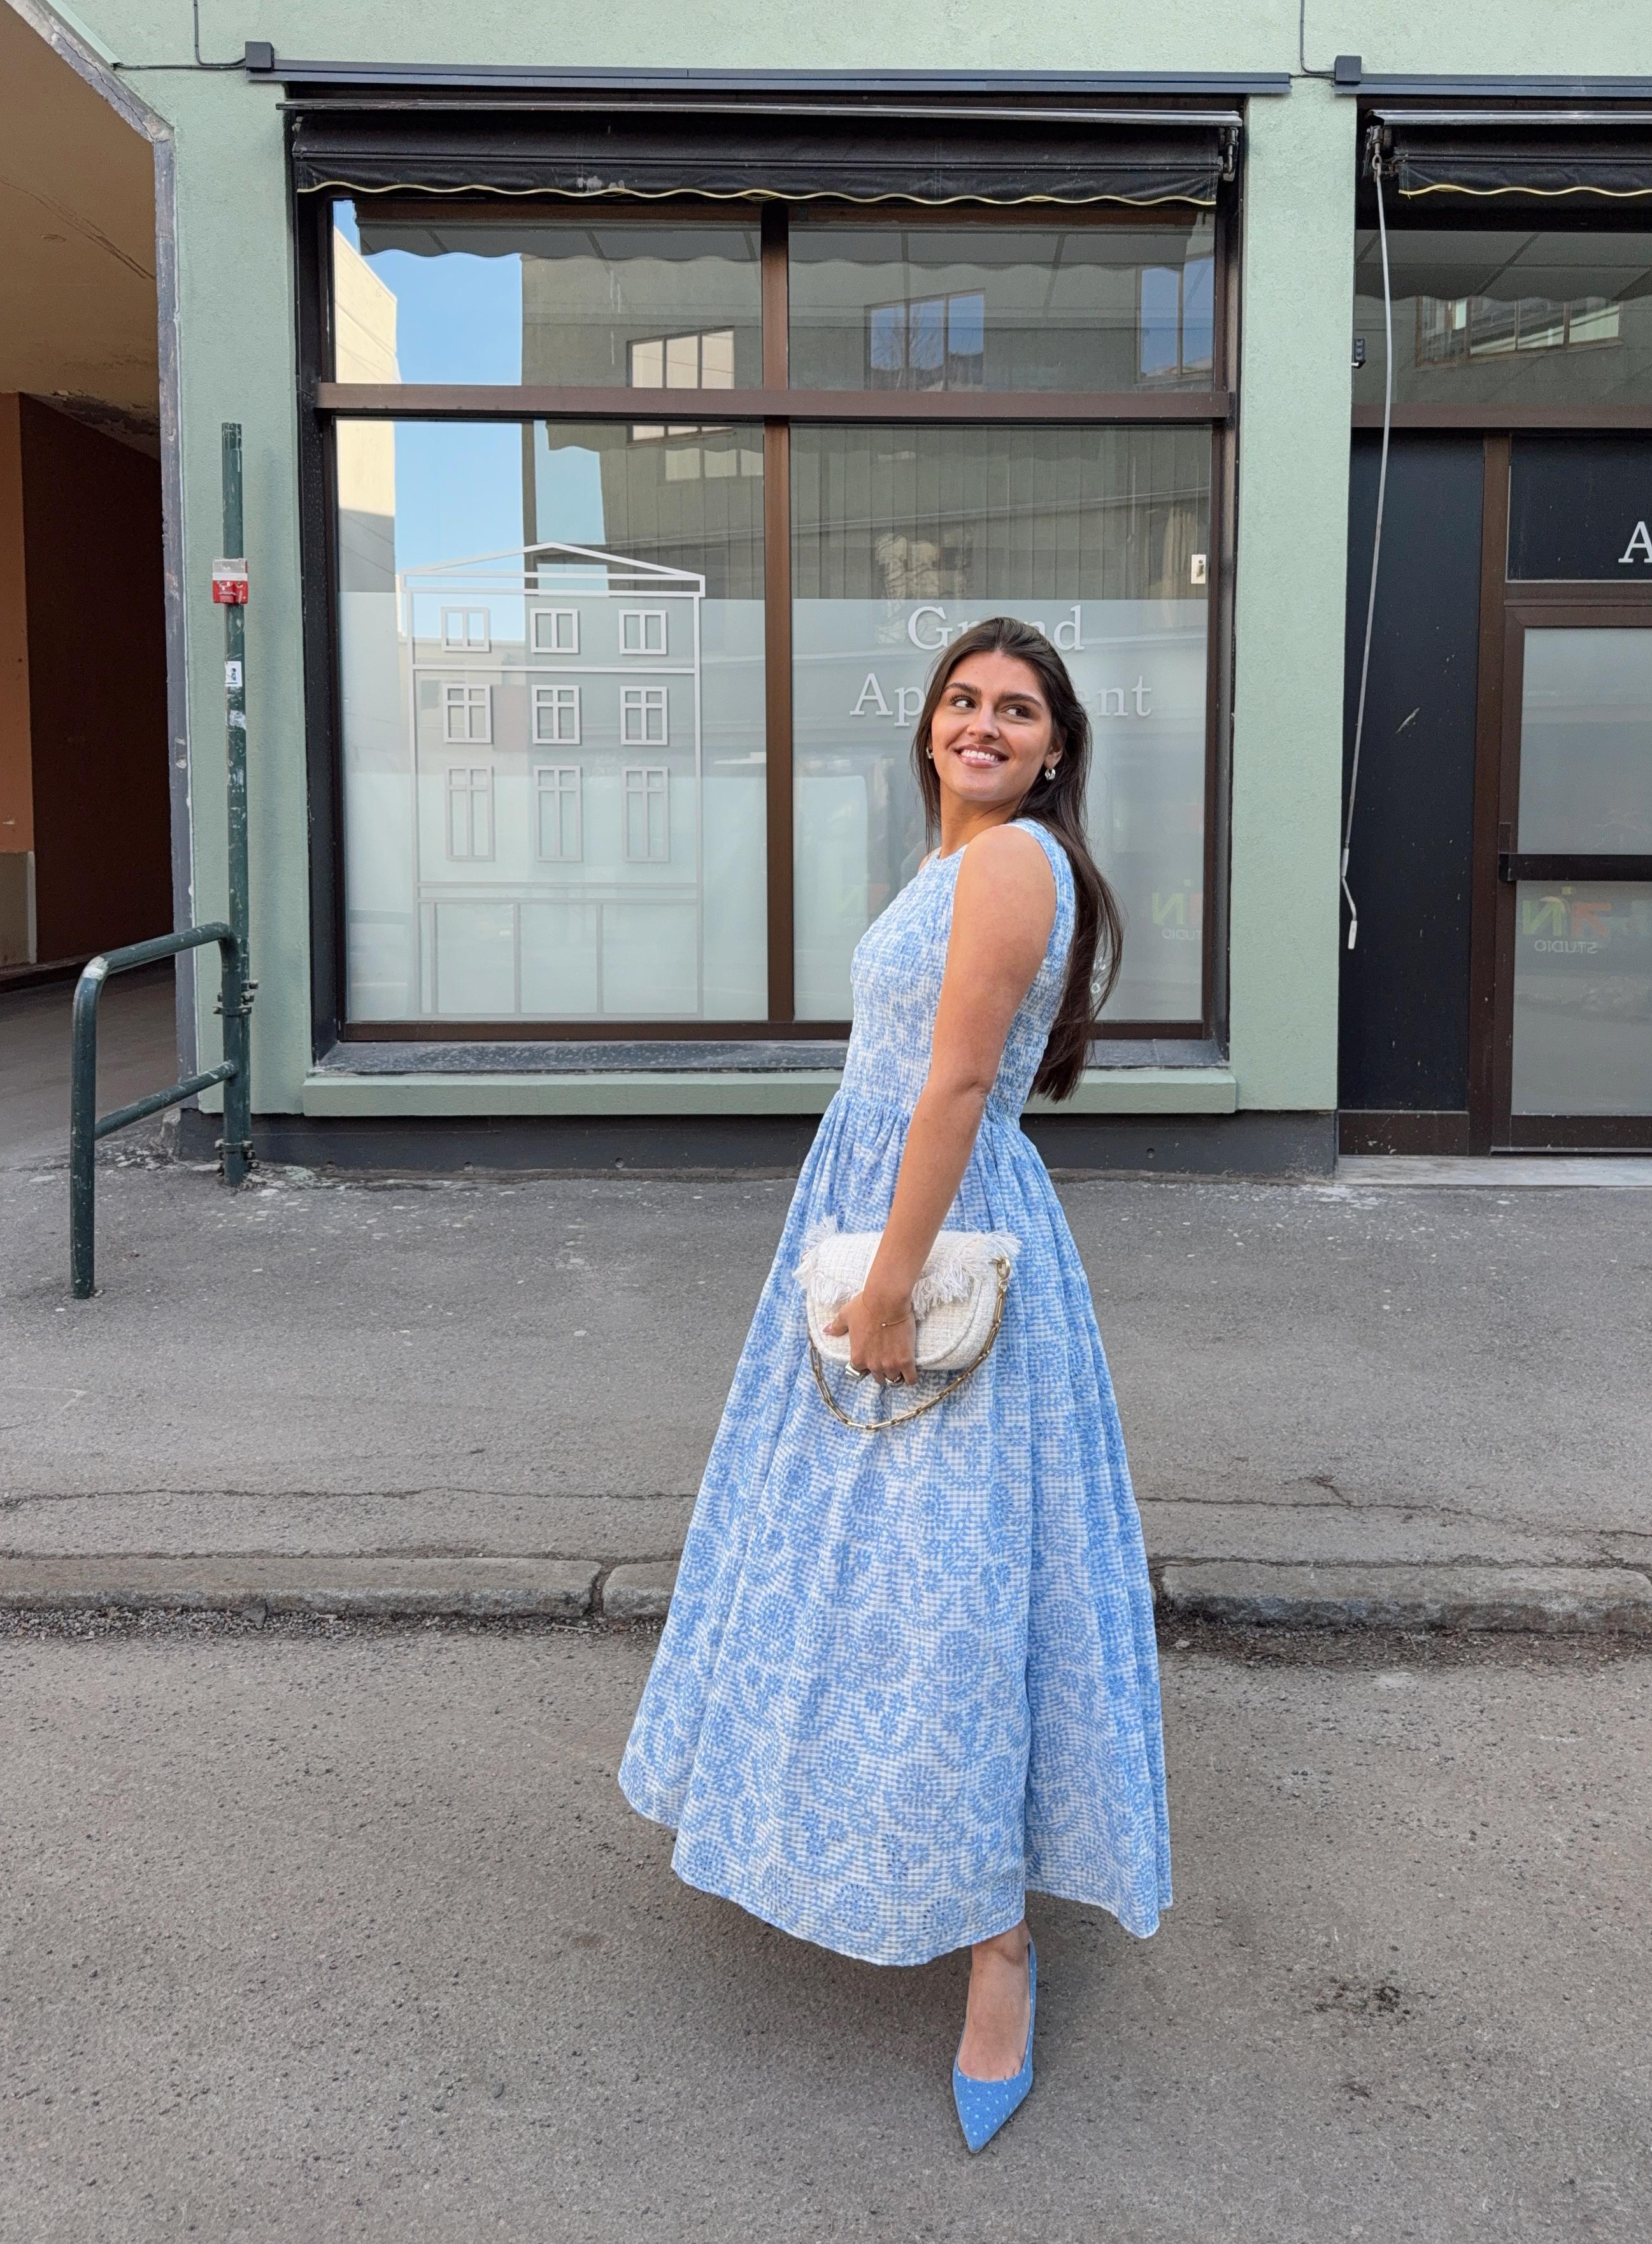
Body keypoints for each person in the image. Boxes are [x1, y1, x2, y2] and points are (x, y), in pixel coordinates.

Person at [618, 617, 1171, 2153]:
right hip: (880, 1210)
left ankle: (998, 1949)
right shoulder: (960, 857)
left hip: (929, 1237)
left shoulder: (1015, 864)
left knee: (947, 1590)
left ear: (1055, 749)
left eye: (1018, 709)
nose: (984, 723)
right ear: (930, 724)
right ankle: (855, 1841)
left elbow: (962, 1082)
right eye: (963, 700)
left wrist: (886, 1282)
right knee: (868, 1567)